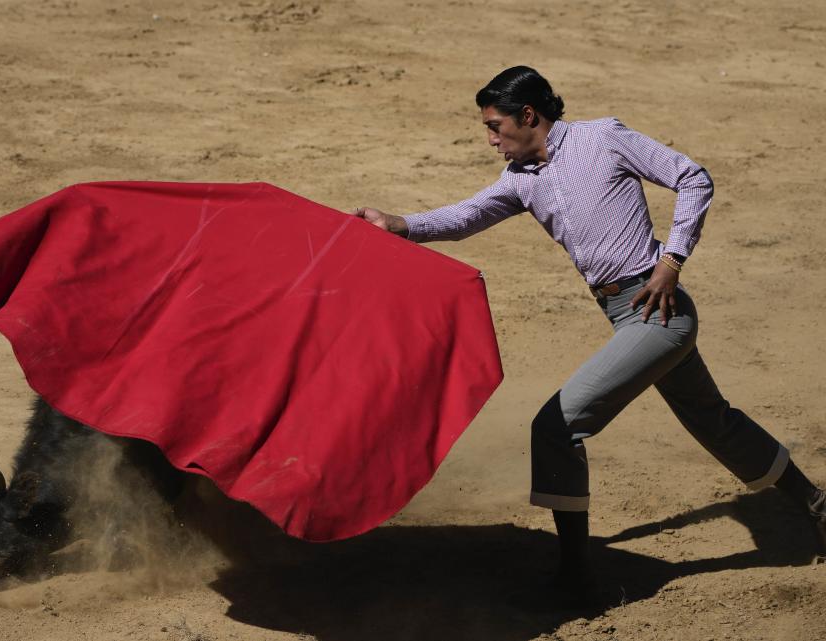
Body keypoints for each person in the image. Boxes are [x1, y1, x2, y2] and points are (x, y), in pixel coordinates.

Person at [350, 65, 826, 593]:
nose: (490, 140)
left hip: (657, 309)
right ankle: (816, 503)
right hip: (626, 315)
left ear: (528, 115)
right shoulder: (521, 180)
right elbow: (466, 216)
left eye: (495, 126)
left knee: (556, 426)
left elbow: (693, 177)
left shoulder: (603, 137)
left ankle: (576, 577)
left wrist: (672, 261)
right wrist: (398, 224)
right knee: (715, 420)